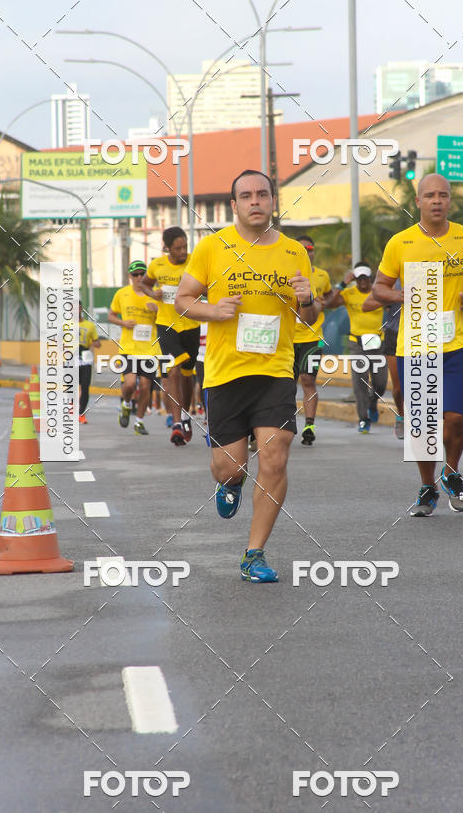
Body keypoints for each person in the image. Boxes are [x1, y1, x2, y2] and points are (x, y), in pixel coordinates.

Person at [175, 169, 316, 583]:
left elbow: (308, 316)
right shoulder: (213, 247)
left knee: (275, 454)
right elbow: (183, 300)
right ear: (234, 205)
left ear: (273, 201)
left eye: (263, 194)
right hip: (225, 373)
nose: (256, 201)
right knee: (229, 466)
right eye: (247, 196)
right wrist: (213, 311)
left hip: (274, 369)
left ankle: (254, 554)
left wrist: (308, 300)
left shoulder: (294, 252)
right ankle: (230, 481)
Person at [372, 172, 463, 516]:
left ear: (449, 201)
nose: (437, 201)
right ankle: (428, 487)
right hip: (415, 346)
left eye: (442, 195)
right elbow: (379, 287)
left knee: (455, 417)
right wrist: (399, 295)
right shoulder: (401, 242)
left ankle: (451, 473)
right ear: (418, 203)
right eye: (430, 195)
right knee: (423, 424)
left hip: (456, 344)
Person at [142, 227, 201, 446]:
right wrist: (152, 293)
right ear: (167, 248)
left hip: (191, 325)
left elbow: (210, 283)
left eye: (185, 246)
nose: (183, 251)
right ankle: (176, 424)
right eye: (178, 248)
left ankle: (185, 416)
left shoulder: (195, 261)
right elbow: (145, 284)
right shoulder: (157, 264)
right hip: (166, 325)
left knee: (186, 375)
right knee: (173, 371)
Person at [329, 263, 387, 432]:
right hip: (357, 343)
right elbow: (329, 303)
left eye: (365, 278)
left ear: (370, 279)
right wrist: (342, 284)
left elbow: (393, 306)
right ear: (355, 278)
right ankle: (364, 419)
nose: (362, 281)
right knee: (360, 382)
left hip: (376, 342)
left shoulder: (378, 293)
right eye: (359, 278)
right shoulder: (349, 293)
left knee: (380, 383)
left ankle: (373, 402)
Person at [108, 260, 159, 436]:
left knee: (145, 387)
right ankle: (127, 403)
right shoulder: (122, 294)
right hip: (128, 349)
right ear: (130, 276)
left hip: (150, 350)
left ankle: (139, 421)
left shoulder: (154, 295)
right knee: (129, 384)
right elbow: (111, 315)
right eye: (135, 274)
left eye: (142, 274)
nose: (139, 277)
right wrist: (122, 322)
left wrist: (158, 311)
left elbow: (168, 321)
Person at [292, 235, 333, 446]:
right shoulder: (285, 274)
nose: (308, 252)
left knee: (307, 379)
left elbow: (330, 294)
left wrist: (325, 302)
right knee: (286, 385)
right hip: (287, 339)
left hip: (313, 338)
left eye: (310, 249)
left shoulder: (322, 275)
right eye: (303, 249)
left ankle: (309, 425)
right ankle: (286, 422)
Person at [363, 285, 404, 438]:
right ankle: (401, 416)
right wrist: (393, 296)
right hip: (395, 334)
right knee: (399, 388)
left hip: (423, 333)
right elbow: (366, 305)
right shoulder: (395, 280)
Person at [78, 302, 101, 424]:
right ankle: (72, 410)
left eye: (77, 307)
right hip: (71, 357)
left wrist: (92, 344)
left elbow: (98, 342)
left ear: (81, 309)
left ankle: (81, 414)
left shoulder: (89, 325)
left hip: (85, 356)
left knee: (85, 386)